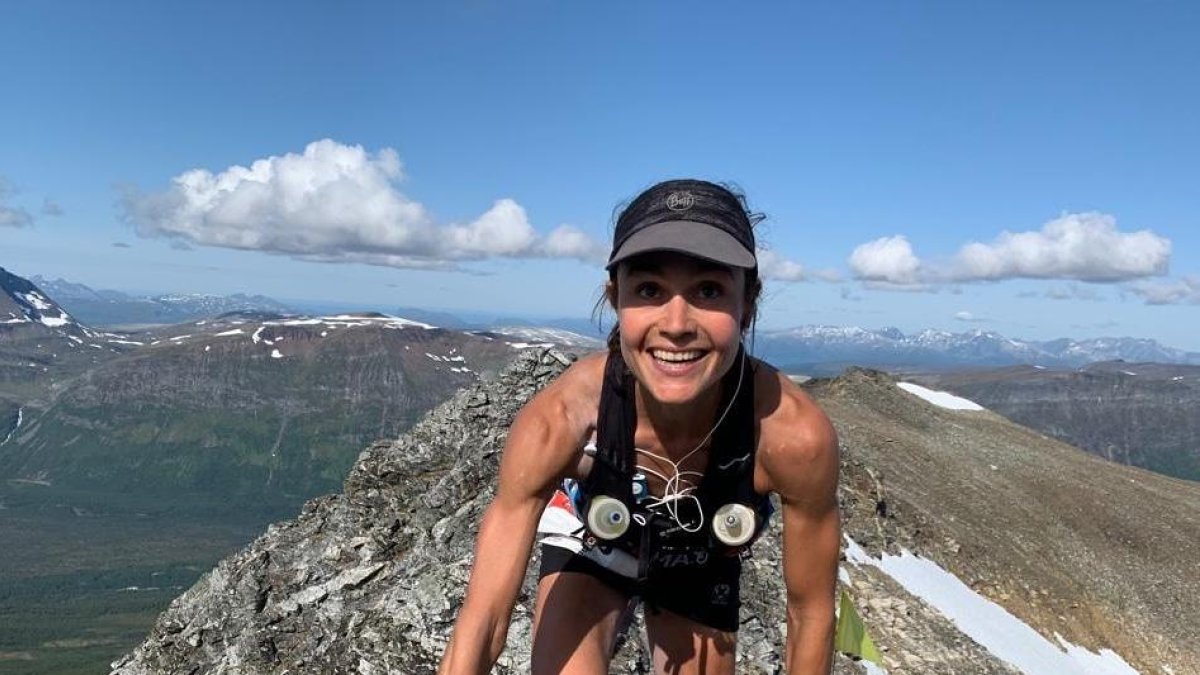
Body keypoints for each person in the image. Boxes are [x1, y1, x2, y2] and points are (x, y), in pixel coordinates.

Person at [438, 179, 841, 674]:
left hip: (701, 555)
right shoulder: (562, 420)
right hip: (593, 540)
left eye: (709, 290)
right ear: (616, 298)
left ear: (748, 302)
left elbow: (811, 612)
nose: (676, 323)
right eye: (649, 289)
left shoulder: (792, 436)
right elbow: (484, 618)